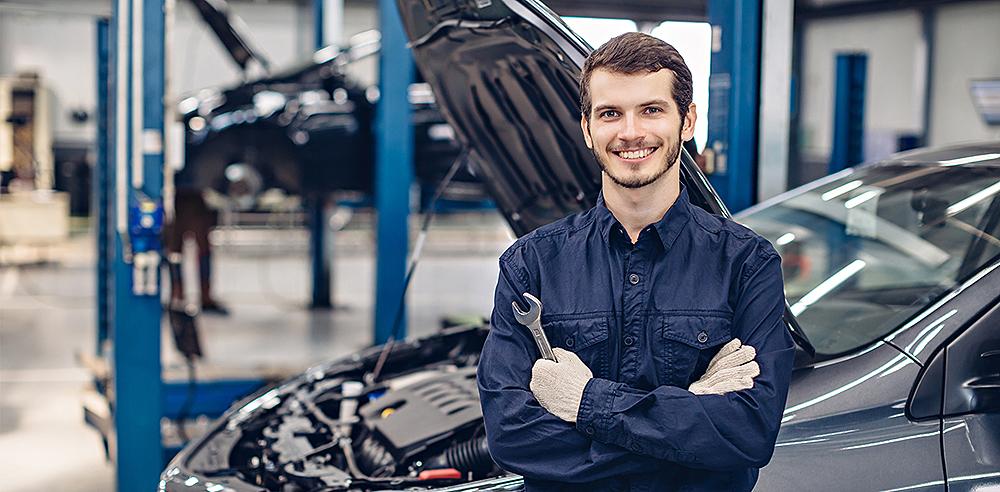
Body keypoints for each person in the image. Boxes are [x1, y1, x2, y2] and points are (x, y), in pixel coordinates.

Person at [476, 32, 795, 491]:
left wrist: (587, 402)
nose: (630, 133)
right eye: (610, 114)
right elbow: (511, 437)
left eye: (651, 110)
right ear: (587, 129)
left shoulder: (747, 264)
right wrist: (692, 406)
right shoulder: (531, 265)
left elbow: (749, 434)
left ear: (687, 122)